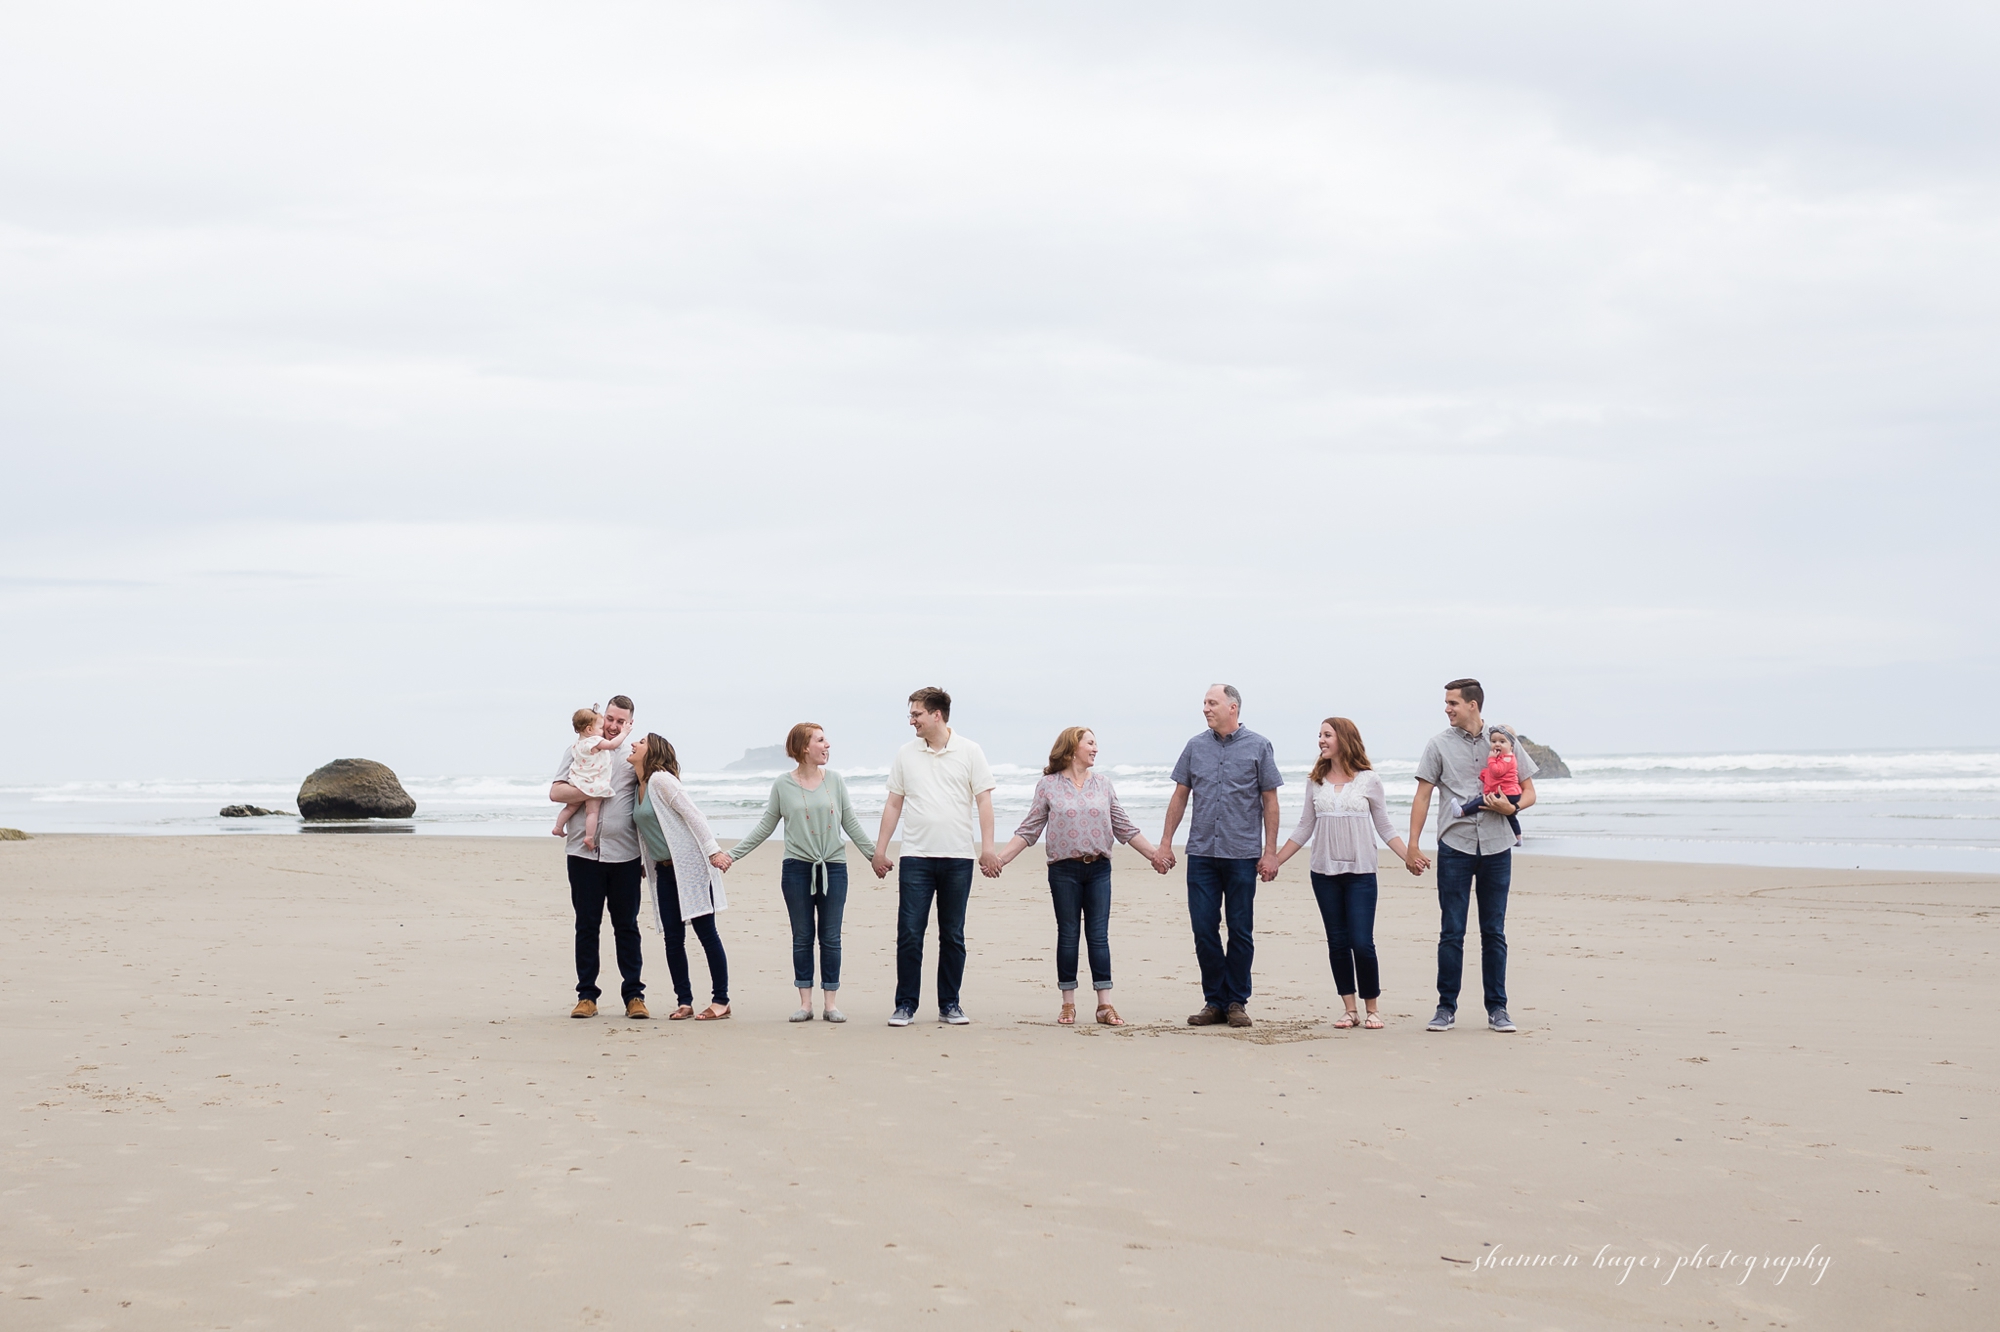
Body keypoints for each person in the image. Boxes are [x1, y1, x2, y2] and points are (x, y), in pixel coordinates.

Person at [990, 726, 1171, 1027]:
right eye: (1090, 743)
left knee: (1098, 936)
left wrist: (1155, 855)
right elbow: (1029, 829)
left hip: (1099, 868)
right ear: (1073, 748)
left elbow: (1124, 827)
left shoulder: (1103, 784)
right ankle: (1068, 1003)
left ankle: (1104, 1005)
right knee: (1068, 934)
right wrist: (1000, 860)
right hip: (1063, 870)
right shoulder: (1048, 786)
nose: (1096, 748)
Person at [1404, 678, 1538, 1034]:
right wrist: (1412, 844)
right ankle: (1445, 1007)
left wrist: (1512, 809)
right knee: (1452, 930)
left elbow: (1529, 791)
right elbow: (1422, 795)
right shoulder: (1438, 745)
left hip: (1497, 845)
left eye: (1453, 703)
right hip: (1455, 846)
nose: (1447, 709)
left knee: (1494, 931)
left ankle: (1498, 1008)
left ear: (1472, 705)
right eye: (1447, 703)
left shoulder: (1504, 740)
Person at [722, 722, 877, 1024]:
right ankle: (805, 1004)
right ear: (804, 747)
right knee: (802, 936)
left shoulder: (835, 781)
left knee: (830, 937)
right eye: (820, 740)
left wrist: (875, 856)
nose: (827, 745)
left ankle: (830, 1004)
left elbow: (851, 823)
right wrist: (732, 855)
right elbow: (765, 827)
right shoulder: (783, 784)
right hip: (796, 869)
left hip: (833, 867)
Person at [1272, 717, 1413, 1030]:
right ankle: (1350, 1009)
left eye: (1327, 735)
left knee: (1361, 942)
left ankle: (1372, 1008)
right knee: (1337, 942)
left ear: (1344, 739)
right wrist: (1275, 860)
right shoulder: (1316, 781)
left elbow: (1384, 826)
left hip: (1361, 872)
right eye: (1320, 735)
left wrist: (1409, 856)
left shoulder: (1369, 780)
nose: (1321, 740)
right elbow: (1304, 826)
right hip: (1324, 873)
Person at [1157, 684, 1283, 1029]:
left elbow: (1270, 801)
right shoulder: (1195, 746)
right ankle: (1214, 1001)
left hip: (1242, 854)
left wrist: (1271, 852)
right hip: (1201, 853)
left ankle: (1236, 1001)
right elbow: (1180, 795)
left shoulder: (1259, 745)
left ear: (1233, 707)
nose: (1205, 708)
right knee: (1203, 929)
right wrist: (1166, 842)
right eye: (1204, 703)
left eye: (1212, 703)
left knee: (1240, 930)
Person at [872, 686, 995, 1027]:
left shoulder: (970, 751)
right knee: (910, 933)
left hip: (958, 858)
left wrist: (987, 848)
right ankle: (905, 1004)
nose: (911, 720)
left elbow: (984, 801)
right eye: (911, 714)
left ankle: (950, 1004)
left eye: (916, 714)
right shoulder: (905, 753)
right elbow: (894, 803)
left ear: (936, 714)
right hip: (916, 857)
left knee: (952, 935)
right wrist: (880, 850)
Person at [548, 694, 646, 1020]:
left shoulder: (634, 756)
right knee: (587, 926)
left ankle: (634, 996)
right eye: (610, 719)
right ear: (603, 717)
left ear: (630, 724)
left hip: (625, 856)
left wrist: (649, 856)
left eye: (621, 721)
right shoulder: (578, 749)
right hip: (582, 854)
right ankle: (586, 996)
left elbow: (648, 802)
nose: (613, 726)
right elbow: (556, 792)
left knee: (627, 927)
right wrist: (592, 790)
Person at [630, 733, 735, 1021]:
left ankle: (721, 1000)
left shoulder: (661, 780)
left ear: (653, 751)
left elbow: (694, 816)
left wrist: (713, 852)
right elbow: (646, 830)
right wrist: (643, 861)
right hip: (663, 870)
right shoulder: (637, 786)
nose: (634, 744)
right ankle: (684, 1001)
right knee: (673, 939)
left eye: (641, 741)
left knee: (706, 933)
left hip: (690, 868)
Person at [552, 707, 622, 850]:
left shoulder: (577, 744)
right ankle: (589, 837)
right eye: (601, 728)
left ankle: (558, 827)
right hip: (593, 783)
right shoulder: (595, 741)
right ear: (589, 730)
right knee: (592, 812)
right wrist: (625, 732)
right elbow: (612, 745)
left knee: (570, 807)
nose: (603, 730)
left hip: (577, 782)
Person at [1456, 728, 1524, 840]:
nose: (1497, 744)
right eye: (1493, 741)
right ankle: (1518, 837)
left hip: (1508, 793)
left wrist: (1491, 759)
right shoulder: (1502, 758)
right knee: (1509, 816)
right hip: (1510, 792)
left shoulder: (1507, 759)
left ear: (1511, 746)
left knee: (1482, 800)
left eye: (1502, 742)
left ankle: (1462, 811)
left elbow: (1497, 771)